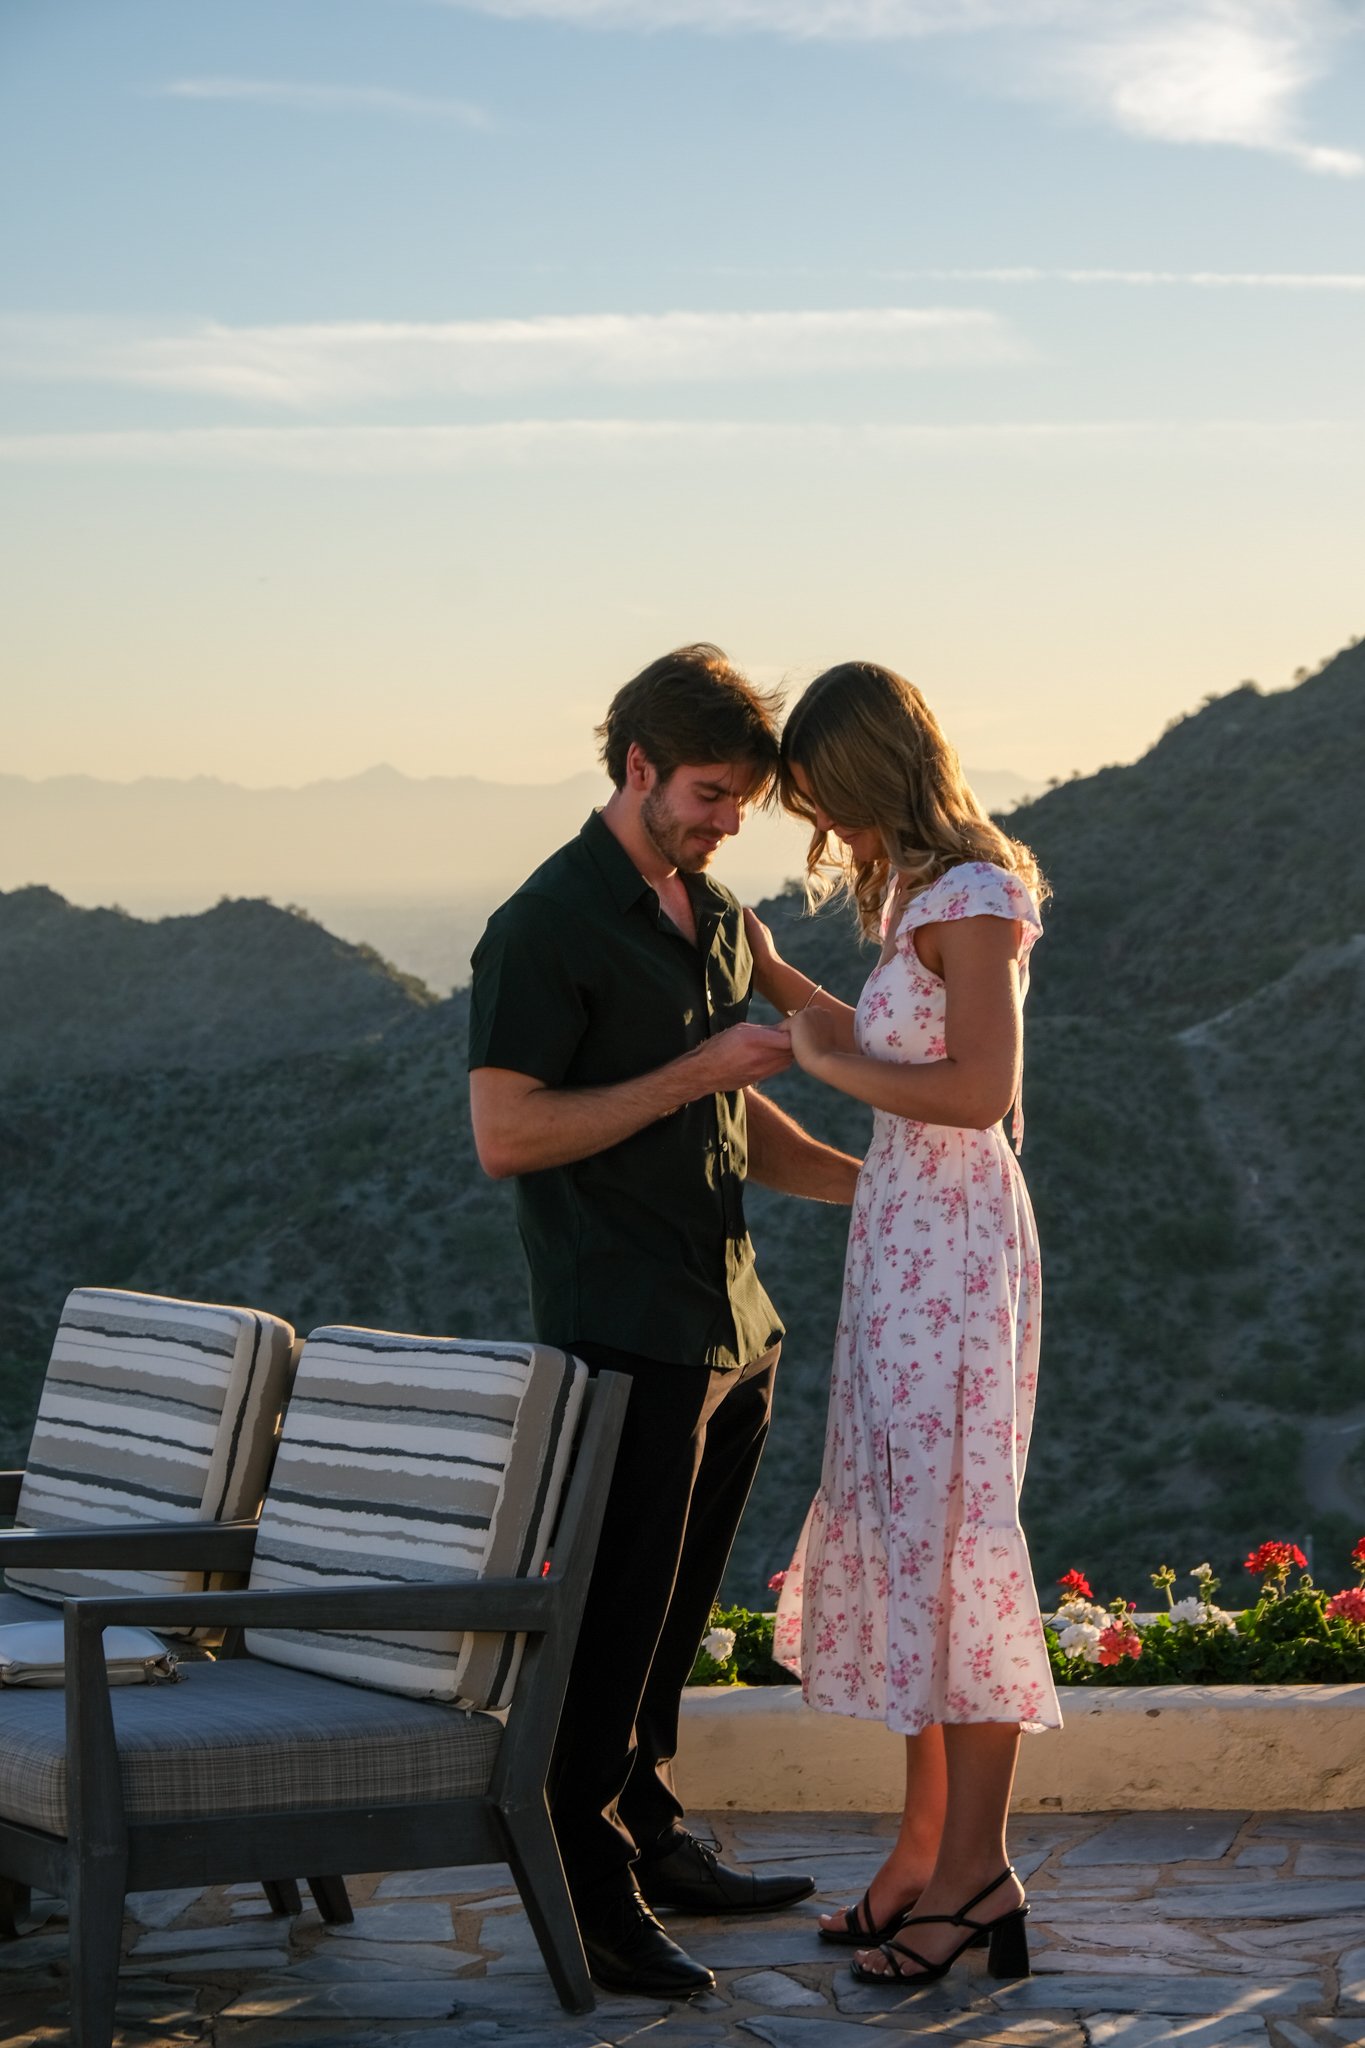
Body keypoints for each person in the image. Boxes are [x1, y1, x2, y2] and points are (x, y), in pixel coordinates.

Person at [467, 644, 862, 2000]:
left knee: (675, 1611)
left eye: (742, 799)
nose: (727, 821)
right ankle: (591, 1895)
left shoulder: (716, 908)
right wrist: (699, 1069)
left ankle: (653, 1834)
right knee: (611, 1623)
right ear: (636, 766)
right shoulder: (542, 926)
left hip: (731, 1327)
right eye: (707, 793)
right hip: (620, 1330)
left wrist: (874, 1188)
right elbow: (508, 1134)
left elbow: (739, 1108)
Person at [749, 659, 1061, 1990]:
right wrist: (778, 981)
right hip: (902, 1249)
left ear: (869, 772)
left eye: (821, 797)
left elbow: (979, 1090)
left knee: (958, 1543)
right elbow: (883, 1054)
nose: (818, 825)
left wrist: (821, 1060)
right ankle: (922, 1854)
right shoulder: (915, 900)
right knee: (906, 1541)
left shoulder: (975, 896)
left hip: (953, 1254)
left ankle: (978, 1874)